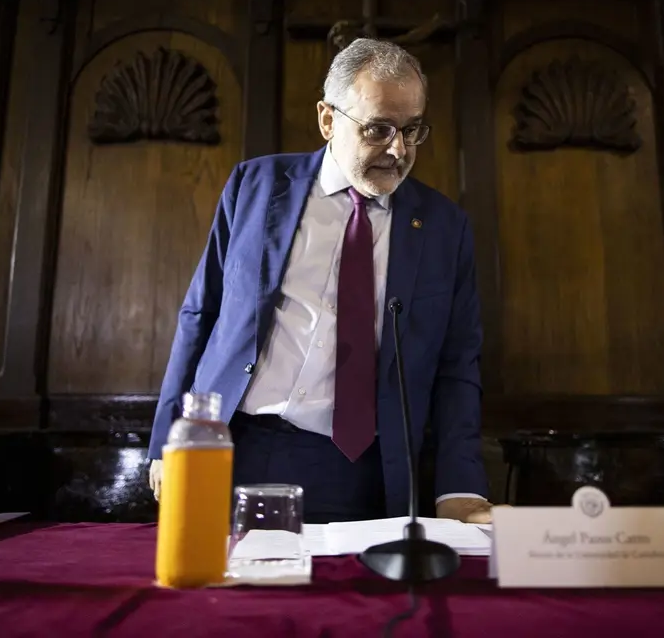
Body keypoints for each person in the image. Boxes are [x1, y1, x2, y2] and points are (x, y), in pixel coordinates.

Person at [147, 37, 492, 524]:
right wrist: (169, 439)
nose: (398, 149)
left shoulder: (443, 227)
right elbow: (200, 314)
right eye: (378, 129)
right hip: (233, 446)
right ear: (328, 120)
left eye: (412, 130)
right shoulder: (255, 186)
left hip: (360, 470)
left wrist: (461, 489)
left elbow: (458, 366)